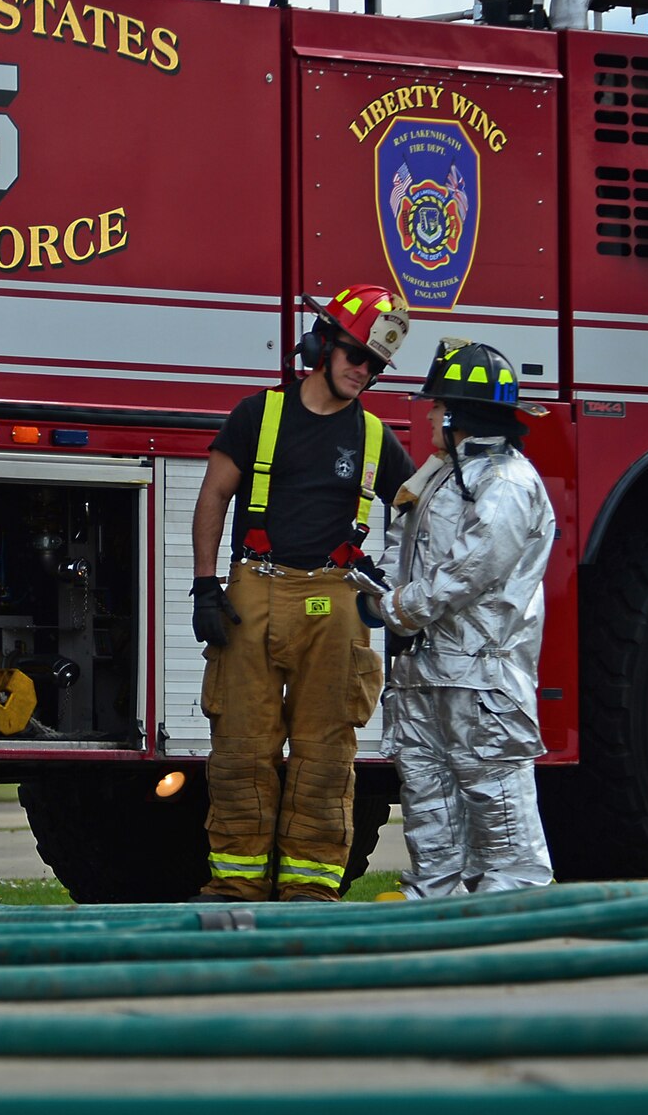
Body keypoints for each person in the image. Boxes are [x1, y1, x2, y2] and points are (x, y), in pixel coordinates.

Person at [188, 284, 412, 901]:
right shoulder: (258, 416)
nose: (363, 371)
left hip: (335, 601)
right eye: (355, 354)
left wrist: (392, 586)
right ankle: (236, 886)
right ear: (324, 345)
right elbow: (213, 496)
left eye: (374, 364)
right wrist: (205, 586)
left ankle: (310, 889)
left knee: (326, 751)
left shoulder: (375, 438)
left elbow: (420, 515)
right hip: (253, 590)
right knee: (240, 746)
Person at [357, 337, 555, 898]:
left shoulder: (508, 483)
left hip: (481, 679)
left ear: (460, 413)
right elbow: (411, 550)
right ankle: (433, 910)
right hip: (425, 675)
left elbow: (470, 571)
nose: (433, 416)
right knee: (428, 798)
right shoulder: (445, 476)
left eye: (441, 407)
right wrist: (381, 587)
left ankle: (512, 921)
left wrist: (391, 608)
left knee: (496, 802)